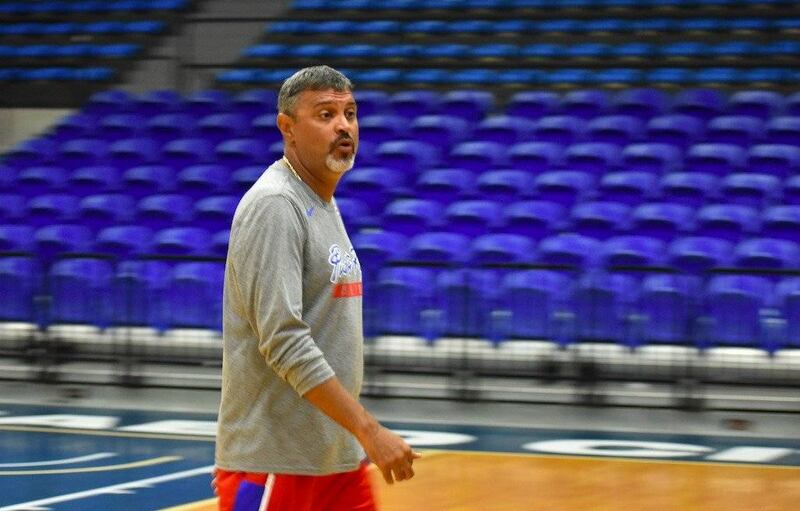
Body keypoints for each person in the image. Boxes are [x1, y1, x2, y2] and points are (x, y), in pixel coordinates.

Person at [214, 65, 420, 511]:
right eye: (326, 114)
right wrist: (369, 430)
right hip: (277, 463)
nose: (344, 126)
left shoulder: (321, 202)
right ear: (287, 128)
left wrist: (355, 436)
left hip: (334, 459)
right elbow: (284, 340)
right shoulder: (275, 205)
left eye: (350, 113)